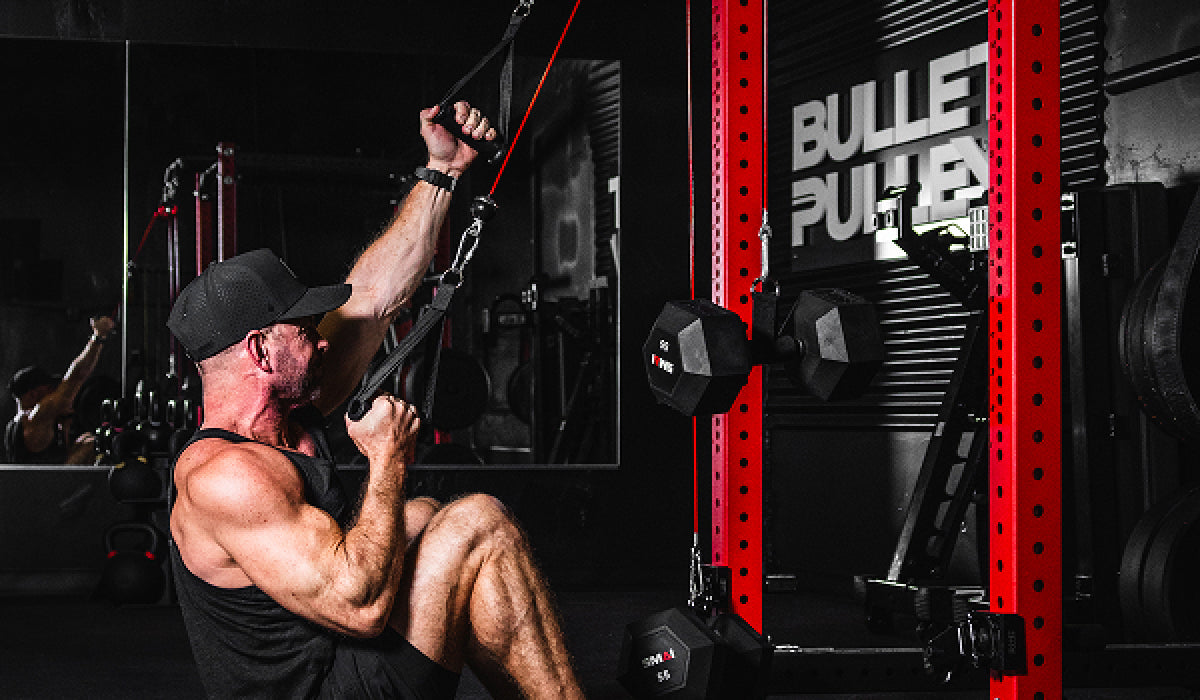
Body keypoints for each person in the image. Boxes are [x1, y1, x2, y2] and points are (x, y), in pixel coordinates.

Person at [166, 102, 585, 699]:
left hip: (340, 665)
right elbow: (358, 605)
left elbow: (371, 299)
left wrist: (443, 171)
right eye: (304, 329)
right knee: (479, 523)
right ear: (259, 352)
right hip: (321, 688)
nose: (319, 338)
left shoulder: (286, 409)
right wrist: (388, 458)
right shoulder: (227, 477)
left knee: (422, 519)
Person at [4, 316, 115, 464]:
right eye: (49, 389)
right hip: (46, 485)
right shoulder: (35, 416)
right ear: (33, 394)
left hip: (38, 482)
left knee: (88, 440)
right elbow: (76, 377)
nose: (54, 393)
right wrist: (98, 336)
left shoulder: (17, 425)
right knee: (93, 445)